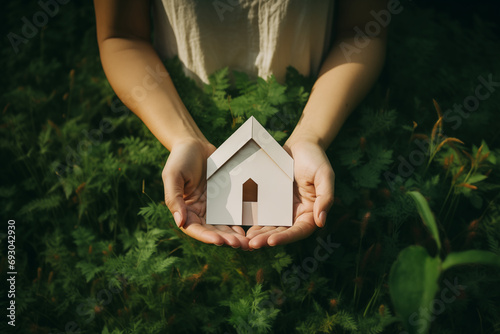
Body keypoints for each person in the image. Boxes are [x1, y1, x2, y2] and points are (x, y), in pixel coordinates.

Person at [94, 0, 388, 250]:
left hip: (319, 102)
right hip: (176, 105)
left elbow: (363, 31)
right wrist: (183, 138)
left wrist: (310, 136)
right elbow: (121, 36)